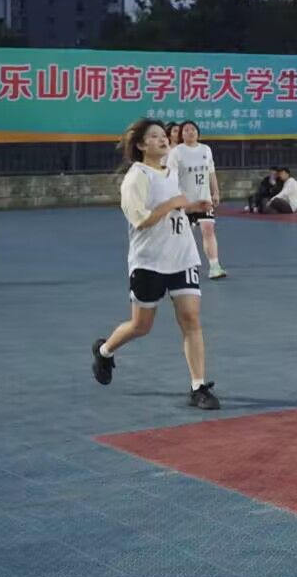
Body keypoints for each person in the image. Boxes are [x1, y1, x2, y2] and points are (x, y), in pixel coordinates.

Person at [91, 118, 220, 410]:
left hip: (183, 255)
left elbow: (175, 207)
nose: (163, 140)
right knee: (141, 325)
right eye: (154, 136)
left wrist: (191, 207)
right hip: (149, 261)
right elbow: (141, 219)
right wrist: (172, 204)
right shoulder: (136, 178)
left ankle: (198, 386)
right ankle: (105, 351)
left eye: (164, 135)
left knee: (191, 318)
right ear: (140, 145)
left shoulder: (171, 171)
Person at [167, 121, 227, 280]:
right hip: (185, 202)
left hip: (204, 200)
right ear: (181, 134)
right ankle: (180, 267)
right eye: (186, 130)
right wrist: (176, 199)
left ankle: (214, 266)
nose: (190, 132)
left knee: (208, 229)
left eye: (193, 129)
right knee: (184, 235)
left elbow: (211, 172)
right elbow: (171, 177)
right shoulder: (176, 152)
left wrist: (215, 192)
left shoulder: (206, 149)